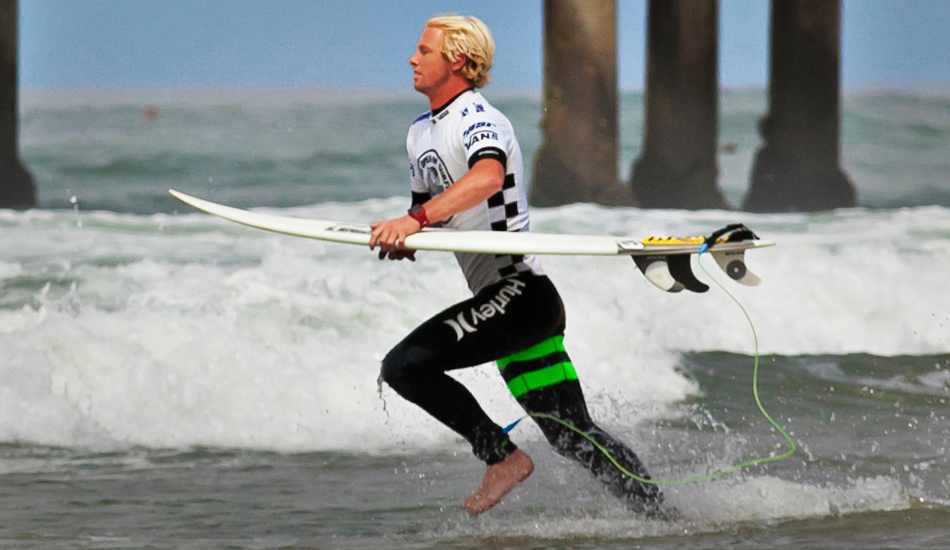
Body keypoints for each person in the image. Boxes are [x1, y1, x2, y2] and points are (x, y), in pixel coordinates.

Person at [369, 14, 663, 517]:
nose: (412, 59)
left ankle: (501, 458)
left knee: (405, 367)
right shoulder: (420, 134)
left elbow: (486, 178)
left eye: (425, 51)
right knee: (573, 436)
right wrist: (412, 237)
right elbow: (439, 213)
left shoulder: (480, 120)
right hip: (512, 306)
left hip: (518, 293)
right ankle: (664, 520)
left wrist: (415, 219)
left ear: (457, 60)